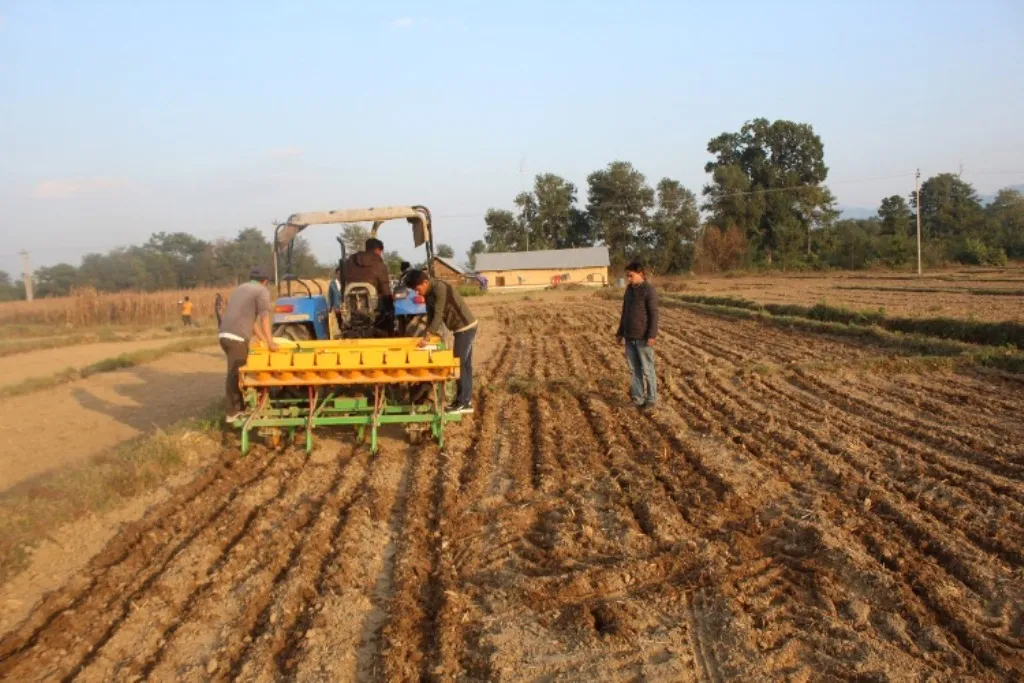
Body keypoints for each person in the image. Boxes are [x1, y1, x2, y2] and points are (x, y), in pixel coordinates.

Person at [408, 270, 477, 413]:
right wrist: (429, 335)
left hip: (465, 327)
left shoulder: (440, 288)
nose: (417, 292)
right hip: (459, 330)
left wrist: (427, 338)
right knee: (465, 364)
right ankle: (466, 400)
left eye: (417, 289)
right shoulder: (428, 294)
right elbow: (431, 316)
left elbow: (439, 314)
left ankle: (463, 401)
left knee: (458, 363)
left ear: (425, 283)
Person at [219, 266, 278, 422]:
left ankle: (241, 407)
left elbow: (250, 321)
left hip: (224, 335)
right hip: (236, 337)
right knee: (236, 372)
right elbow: (264, 317)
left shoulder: (241, 288)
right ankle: (233, 412)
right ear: (265, 281)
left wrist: (261, 338)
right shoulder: (261, 291)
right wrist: (271, 342)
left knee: (238, 370)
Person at [616, 261, 658, 411]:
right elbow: (625, 313)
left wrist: (652, 335)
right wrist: (620, 332)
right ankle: (638, 399)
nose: (628, 278)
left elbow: (654, 314)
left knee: (647, 369)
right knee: (635, 371)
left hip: (643, 338)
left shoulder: (649, 290)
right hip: (629, 337)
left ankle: (652, 400)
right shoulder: (629, 290)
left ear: (641, 274)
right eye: (627, 276)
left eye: (630, 275)